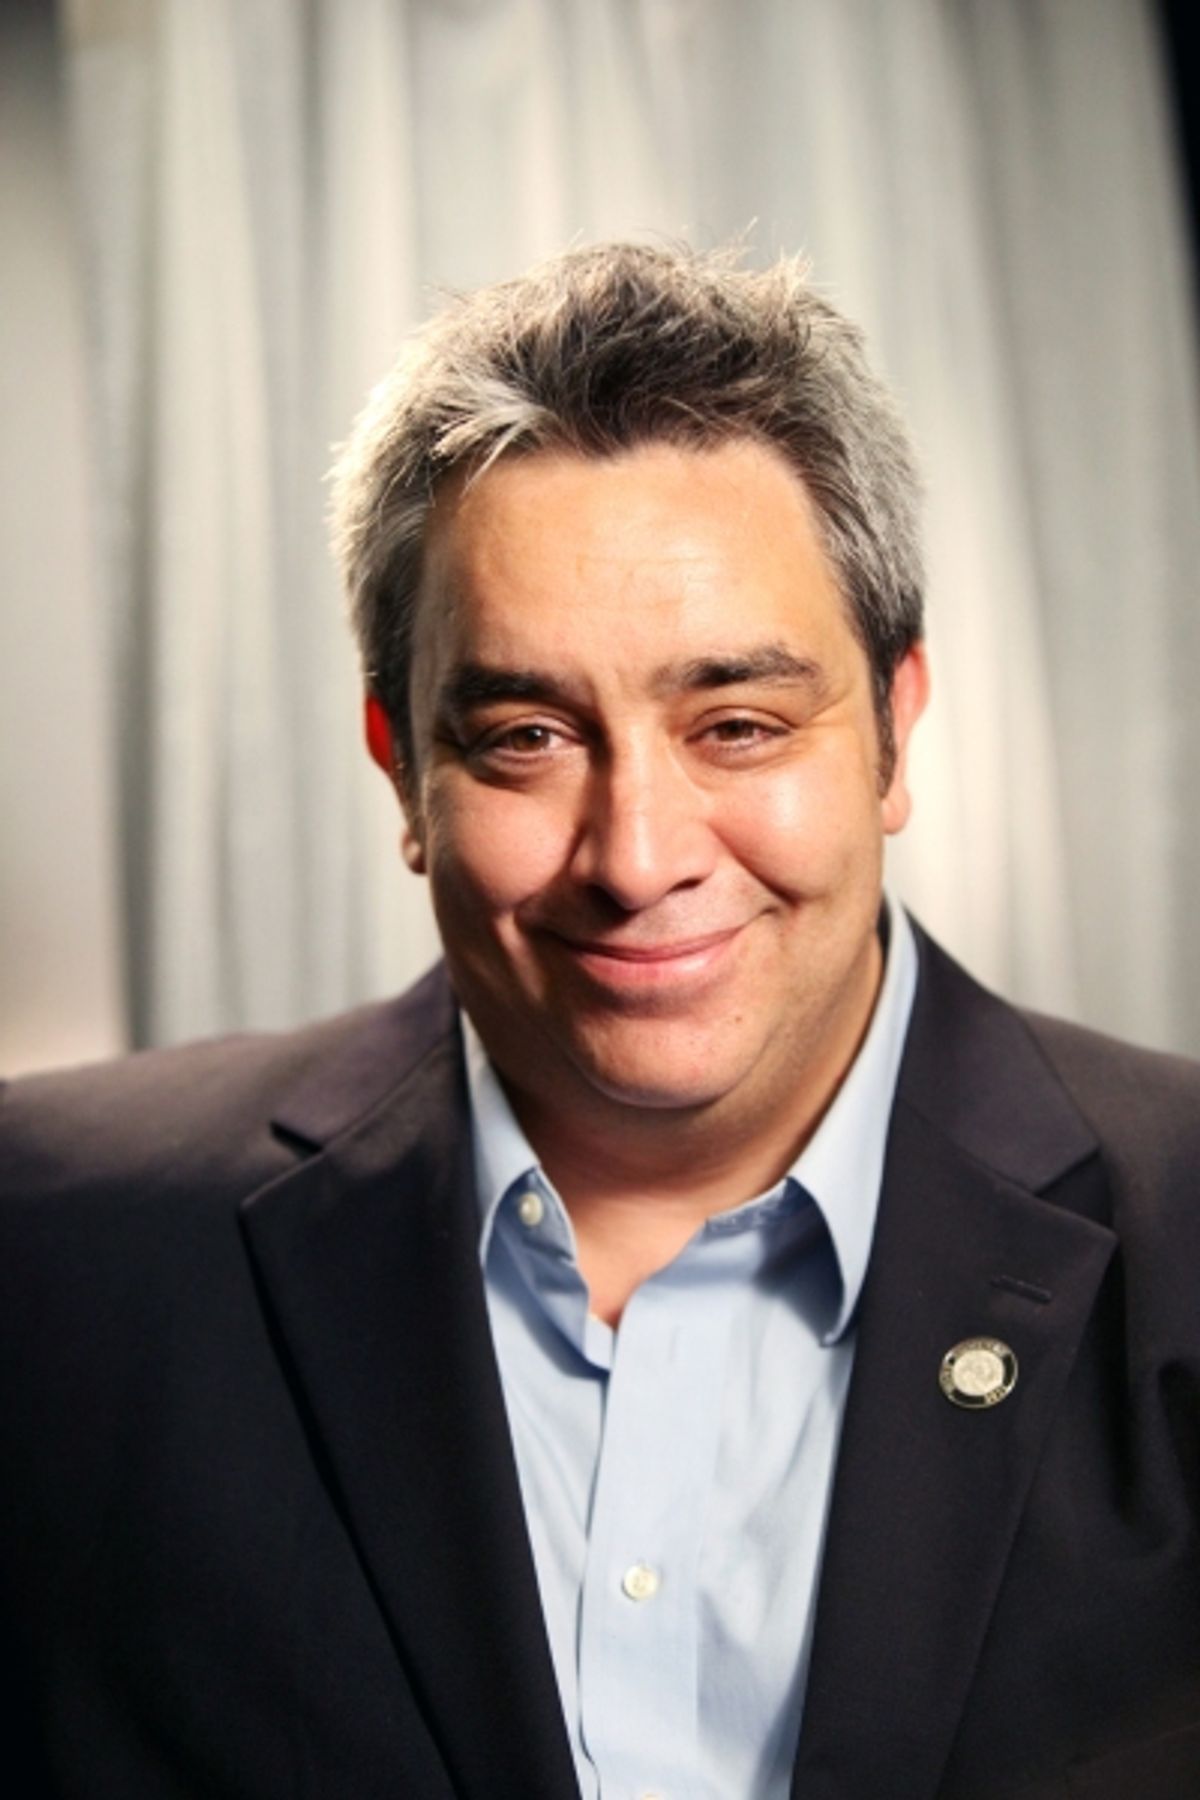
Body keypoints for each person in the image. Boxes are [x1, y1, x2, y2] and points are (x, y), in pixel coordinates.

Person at [2, 242, 1199, 1800]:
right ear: (399, 767)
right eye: (525, 737)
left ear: (896, 734)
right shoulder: (54, 1253)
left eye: (740, 724)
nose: (638, 856)